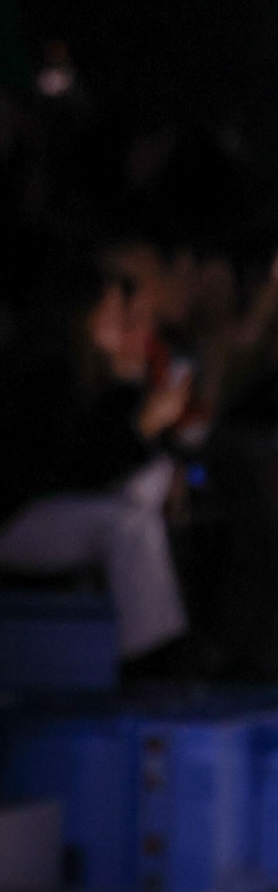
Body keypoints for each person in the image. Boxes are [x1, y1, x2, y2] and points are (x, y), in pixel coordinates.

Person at [0, 258, 191, 663]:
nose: (120, 323)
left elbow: (108, 456)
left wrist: (140, 415)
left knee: (142, 499)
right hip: (14, 517)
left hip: (49, 510)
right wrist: (140, 427)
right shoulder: (44, 372)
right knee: (128, 525)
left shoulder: (94, 374)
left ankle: (154, 655)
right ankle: (153, 660)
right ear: (80, 315)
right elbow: (69, 468)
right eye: (112, 312)